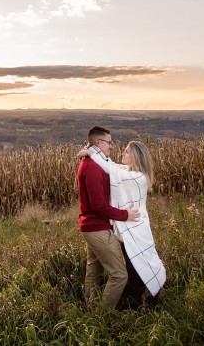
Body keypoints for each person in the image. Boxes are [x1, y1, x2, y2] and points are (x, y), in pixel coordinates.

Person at [78, 139, 166, 306]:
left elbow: (111, 170)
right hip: (127, 228)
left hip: (135, 229)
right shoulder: (129, 170)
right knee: (130, 266)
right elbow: (112, 165)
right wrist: (96, 153)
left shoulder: (138, 177)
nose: (122, 153)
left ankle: (143, 302)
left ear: (136, 156)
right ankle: (133, 301)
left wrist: (91, 153)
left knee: (135, 268)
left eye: (126, 151)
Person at [77, 126, 140, 309]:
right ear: (98, 142)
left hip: (91, 227)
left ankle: (90, 308)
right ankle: (102, 317)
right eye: (109, 142)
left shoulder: (96, 162)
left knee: (94, 271)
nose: (111, 147)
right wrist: (125, 215)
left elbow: (114, 168)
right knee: (119, 275)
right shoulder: (92, 167)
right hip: (97, 228)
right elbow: (98, 205)